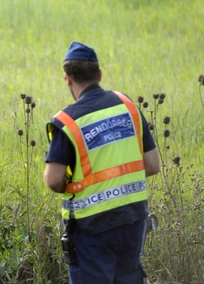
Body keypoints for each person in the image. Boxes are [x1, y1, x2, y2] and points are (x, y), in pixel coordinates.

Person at [43, 42, 160, 283]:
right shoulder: (127, 106)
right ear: (99, 75)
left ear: (67, 79)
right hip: (133, 219)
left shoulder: (67, 121)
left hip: (92, 227)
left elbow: (53, 180)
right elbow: (152, 165)